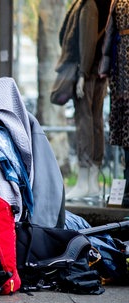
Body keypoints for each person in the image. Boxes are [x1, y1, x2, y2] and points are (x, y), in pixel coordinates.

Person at [56, 0, 110, 200]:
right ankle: (91, 182)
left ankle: (84, 180)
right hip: (98, 72)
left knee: (85, 121)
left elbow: (87, 39)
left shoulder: (90, 4)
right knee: (95, 122)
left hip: (87, 73)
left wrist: (82, 73)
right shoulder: (104, 4)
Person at [100, 0, 129, 205]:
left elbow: (110, 34)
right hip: (122, 69)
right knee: (126, 128)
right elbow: (110, 33)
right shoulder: (117, 1)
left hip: (122, 66)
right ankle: (126, 190)